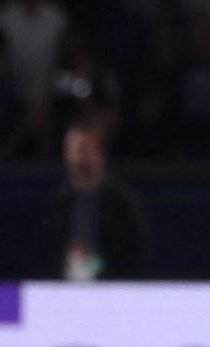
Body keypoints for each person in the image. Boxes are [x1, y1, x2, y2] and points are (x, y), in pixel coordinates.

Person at [47, 120, 152, 280]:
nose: (76, 158)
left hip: (111, 288)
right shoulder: (60, 202)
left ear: (100, 155)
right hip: (63, 288)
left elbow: (136, 258)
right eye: (71, 151)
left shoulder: (121, 203)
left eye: (84, 150)